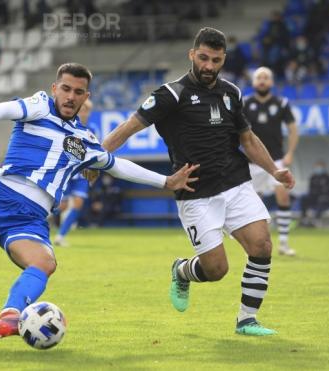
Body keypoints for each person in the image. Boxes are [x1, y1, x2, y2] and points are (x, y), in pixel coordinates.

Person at [0, 63, 199, 339]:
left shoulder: (85, 141)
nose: (70, 97)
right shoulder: (39, 105)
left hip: (29, 218)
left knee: (45, 262)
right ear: (55, 88)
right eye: (66, 89)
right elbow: (6, 107)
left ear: (86, 97)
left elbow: (118, 165)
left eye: (78, 92)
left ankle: (11, 314)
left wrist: (166, 181)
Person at [101, 28, 295, 336]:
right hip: (195, 193)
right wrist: (98, 156)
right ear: (192, 55)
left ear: (223, 60)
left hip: (235, 183)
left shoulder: (231, 92)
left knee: (262, 245)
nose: (208, 66)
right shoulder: (171, 94)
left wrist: (274, 170)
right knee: (217, 270)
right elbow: (129, 127)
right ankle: (181, 271)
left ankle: (247, 321)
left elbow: (247, 138)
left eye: (215, 60)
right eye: (203, 58)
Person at [243, 67, 298, 256]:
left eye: (266, 78)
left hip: (276, 161)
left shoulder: (281, 103)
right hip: (252, 163)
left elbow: (293, 129)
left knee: (283, 195)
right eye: (259, 77)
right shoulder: (245, 103)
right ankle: (252, 244)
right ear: (253, 82)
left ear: (272, 82)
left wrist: (290, 153)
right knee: (253, 203)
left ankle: (283, 242)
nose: (262, 81)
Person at [54, 98, 93, 246]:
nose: (85, 113)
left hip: (82, 173)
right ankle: (44, 221)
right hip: (67, 171)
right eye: (82, 110)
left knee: (78, 203)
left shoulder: (91, 130)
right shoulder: (67, 127)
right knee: (62, 206)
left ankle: (60, 236)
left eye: (87, 110)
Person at [300, 160, 329, 226]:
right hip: (315, 197)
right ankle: (304, 219)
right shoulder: (313, 177)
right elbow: (311, 189)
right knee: (304, 200)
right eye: (317, 167)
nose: (318, 168)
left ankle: (316, 220)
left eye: (320, 167)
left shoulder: (328, 177)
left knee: (322, 201)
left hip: (327, 198)